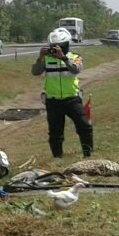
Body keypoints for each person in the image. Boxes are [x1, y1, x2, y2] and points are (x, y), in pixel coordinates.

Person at [32, 28, 93, 158]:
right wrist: (40, 57)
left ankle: (88, 154)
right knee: (55, 133)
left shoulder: (75, 57)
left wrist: (63, 58)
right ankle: (57, 157)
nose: (55, 49)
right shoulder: (46, 59)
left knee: (84, 126)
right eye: (52, 47)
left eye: (59, 46)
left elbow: (76, 70)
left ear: (66, 45)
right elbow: (35, 72)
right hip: (53, 101)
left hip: (72, 99)